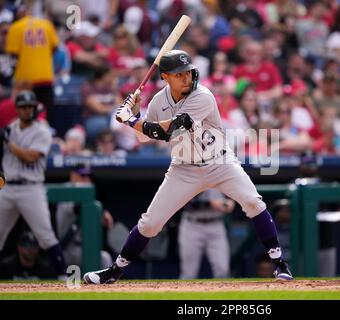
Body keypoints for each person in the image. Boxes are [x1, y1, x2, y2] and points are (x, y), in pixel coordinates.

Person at [83, 50, 293, 284]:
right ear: (165, 77)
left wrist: (130, 120)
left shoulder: (203, 95)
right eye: (179, 74)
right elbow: (144, 137)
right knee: (150, 223)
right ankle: (115, 270)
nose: (186, 78)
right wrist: (135, 113)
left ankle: (280, 264)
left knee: (254, 202)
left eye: (188, 73)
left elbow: (171, 129)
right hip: (184, 168)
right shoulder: (158, 101)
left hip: (219, 162)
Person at [0, 90, 67, 280]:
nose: (26, 110)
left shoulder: (42, 131)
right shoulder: (10, 128)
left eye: (30, 107)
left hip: (31, 188)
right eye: (23, 107)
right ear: (17, 109)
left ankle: (65, 277)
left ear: (34, 109)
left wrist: (8, 143)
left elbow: (31, 156)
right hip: (8, 187)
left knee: (45, 235)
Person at [5, 0, 59, 126]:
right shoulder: (46, 24)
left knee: (24, 114)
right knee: (45, 115)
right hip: (45, 75)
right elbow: (55, 47)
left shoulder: (16, 27)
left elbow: (13, 53)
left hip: (25, 79)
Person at [55, 165, 113, 269]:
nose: (86, 180)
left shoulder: (87, 196)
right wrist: (101, 212)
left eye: (88, 177)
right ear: (73, 176)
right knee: (104, 258)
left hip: (82, 248)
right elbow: (77, 208)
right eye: (82, 176)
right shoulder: (67, 189)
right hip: (68, 248)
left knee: (103, 257)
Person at [178, 189, 235, 279]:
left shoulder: (221, 176)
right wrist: (210, 203)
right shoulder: (191, 176)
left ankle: (221, 292)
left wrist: (230, 202)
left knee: (222, 269)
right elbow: (184, 203)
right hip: (192, 225)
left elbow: (231, 196)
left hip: (216, 224)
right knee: (189, 272)